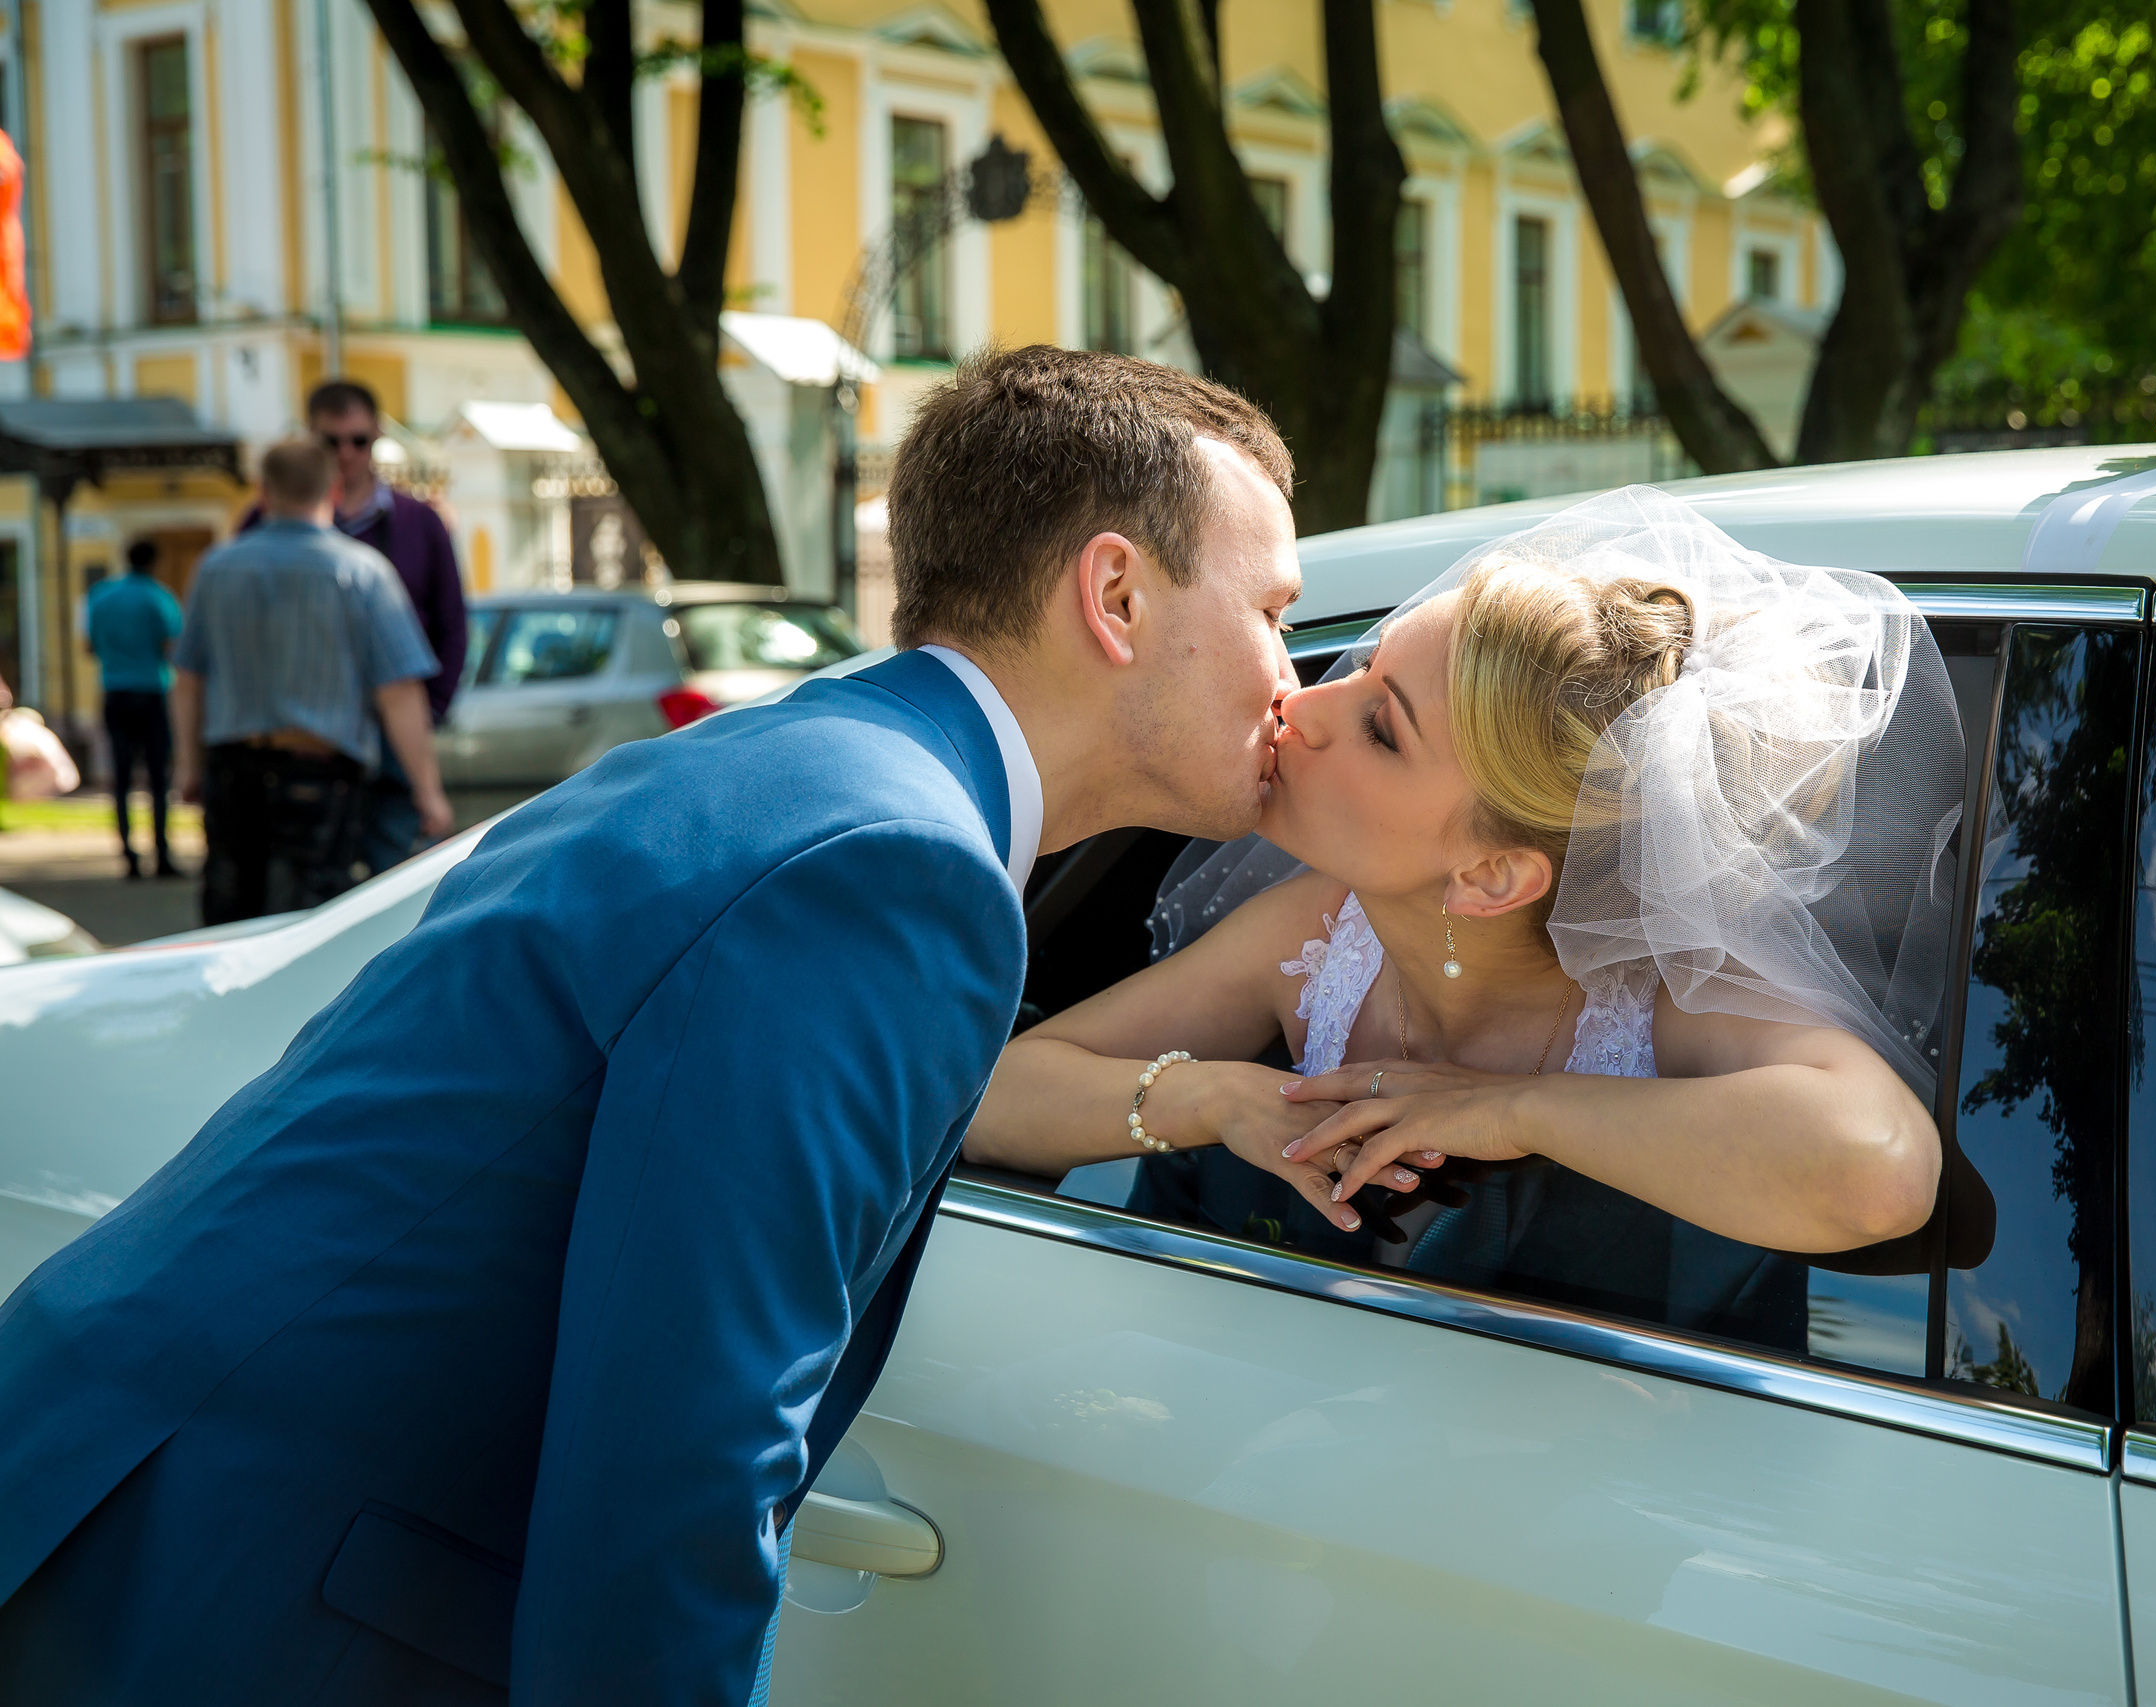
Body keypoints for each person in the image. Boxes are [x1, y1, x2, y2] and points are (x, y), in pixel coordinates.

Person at [0, 347, 1302, 1705]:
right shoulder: (897, 865)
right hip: (225, 1592)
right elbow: (681, 1454)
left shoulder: (810, 758)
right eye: (1274, 610)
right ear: (1115, 595)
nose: (1290, 675)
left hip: (124, 1499)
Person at [968, 487, 1973, 1320]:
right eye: (1364, 667)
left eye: (1381, 728)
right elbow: (988, 1098)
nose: (1300, 703)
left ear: (1491, 875)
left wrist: (1511, 1109)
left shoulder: (1660, 1001)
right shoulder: (1318, 940)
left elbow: (1881, 1173)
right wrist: (1213, 1098)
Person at [171, 439, 453, 926]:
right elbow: (399, 692)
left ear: (263, 492)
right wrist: (427, 790)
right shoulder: (360, 571)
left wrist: (188, 766)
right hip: (321, 773)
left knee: (230, 921)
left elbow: (189, 679)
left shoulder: (216, 568)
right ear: (334, 490)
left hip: (232, 769)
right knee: (309, 923)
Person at [304, 379, 470, 874]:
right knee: (314, 881)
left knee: (394, 877)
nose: (345, 454)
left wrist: (431, 709)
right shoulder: (277, 523)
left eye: (358, 440)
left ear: (376, 435)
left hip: (398, 727)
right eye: (330, 442)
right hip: (311, 732)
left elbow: (452, 622)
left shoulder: (419, 521)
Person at [83, 538, 188, 879]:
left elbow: (89, 645)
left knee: (122, 776)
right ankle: (162, 853)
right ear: (155, 562)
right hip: (152, 692)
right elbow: (174, 646)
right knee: (158, 777)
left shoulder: (101, 596)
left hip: (114, 692)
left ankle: (128, 854)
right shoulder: (158, 597)